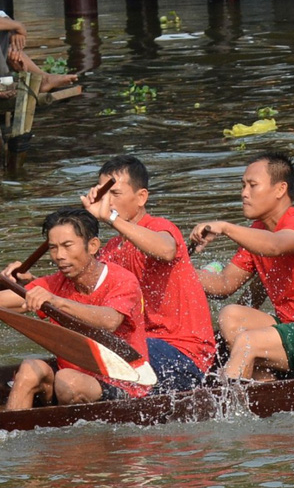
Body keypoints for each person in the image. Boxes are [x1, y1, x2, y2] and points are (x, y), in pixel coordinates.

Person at [0, 208, 151, 411]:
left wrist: (58, 302)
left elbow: (110, 320)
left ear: (93, 246)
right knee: (28, 370)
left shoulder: (122, 280)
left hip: (124, 383)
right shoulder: (54, 284)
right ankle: (13, 433)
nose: (59, 256)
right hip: (68, 381)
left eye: (67, 246)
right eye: (53, 248)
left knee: (67, 380)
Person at [194, 152, 294, 380]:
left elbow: (275, 246)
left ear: (281, 189)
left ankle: (227, 407)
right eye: (243, 185)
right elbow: (224, 284)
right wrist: (178, 270)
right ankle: (264, 383)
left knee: (248, 341)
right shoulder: (258, 231)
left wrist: (225, 227)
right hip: (290, 326)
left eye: (252, 185)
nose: (244, 193)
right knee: (231, 315)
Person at [84, 153, 219, 390]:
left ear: (141, 197)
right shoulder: (112, 249)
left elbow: (166, 250)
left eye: (114, 194)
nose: (108, 202)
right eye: (104, 195)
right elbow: (84, 288)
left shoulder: (160, 227)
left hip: (186, 354)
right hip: (142, 348)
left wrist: (111, 218)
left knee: (108, 352)